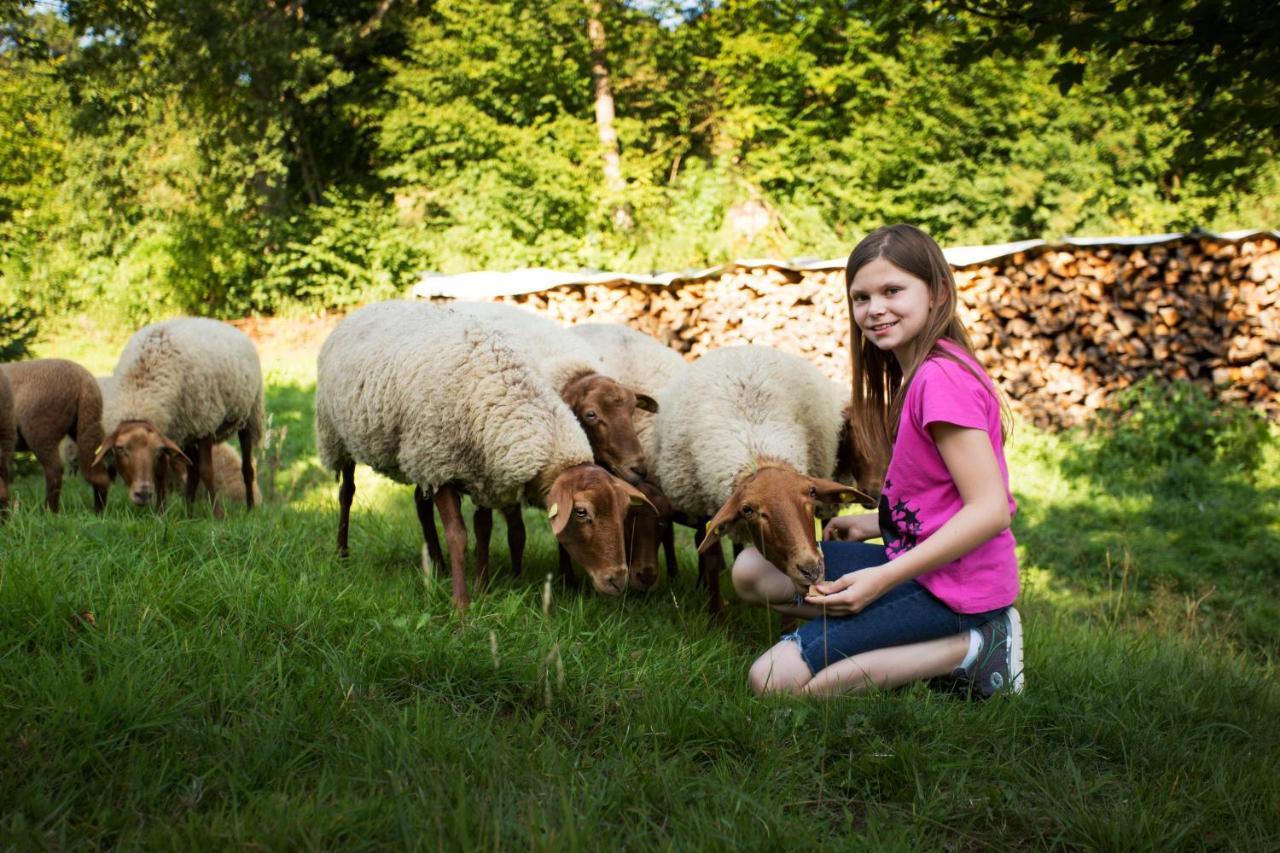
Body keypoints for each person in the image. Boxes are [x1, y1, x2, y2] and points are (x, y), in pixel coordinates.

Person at [731, 223, 1024, 698]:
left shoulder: (940, 381)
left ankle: (974, 645)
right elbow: (936, 494)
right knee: (753, 569)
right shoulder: (915, 373)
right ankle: (893, 629)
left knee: (772, 682)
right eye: (861, 297)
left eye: (893, 290)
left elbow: (990, 509)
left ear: (938, 293)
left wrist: (881, 579)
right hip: (913, 561)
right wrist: (873, 524)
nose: (875, 309)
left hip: (955, 586)